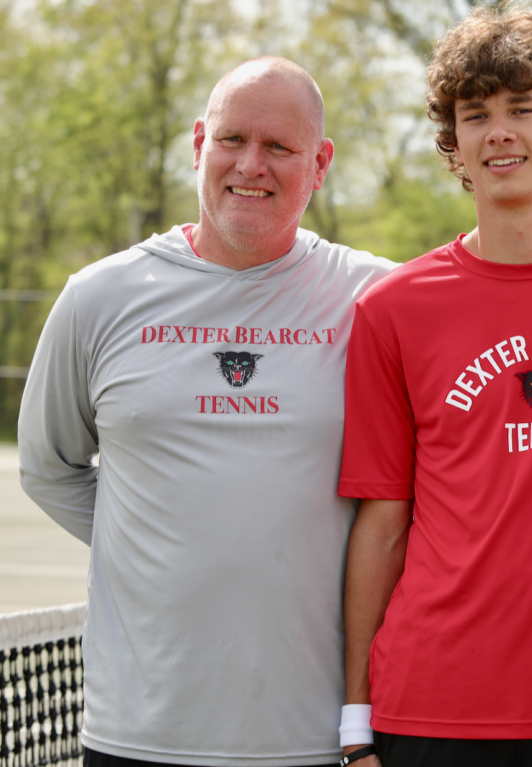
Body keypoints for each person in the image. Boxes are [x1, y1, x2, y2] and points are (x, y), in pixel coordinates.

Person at [18, 57, 396, 767]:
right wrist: (162, 544)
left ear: (320, 163)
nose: (251, 165)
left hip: (323, 739)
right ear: (198, 145)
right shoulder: (98, 298)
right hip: (137, 732)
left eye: (280, 147)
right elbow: (49, 467)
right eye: (232, 140)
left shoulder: (377, 299)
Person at [336, 8, 532, 767]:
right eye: (474, 115)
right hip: (432, 709)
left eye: (523, 109)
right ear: (455, 144)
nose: (498, 132)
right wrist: (356, 724)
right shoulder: (392, 310)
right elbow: (381, 525)